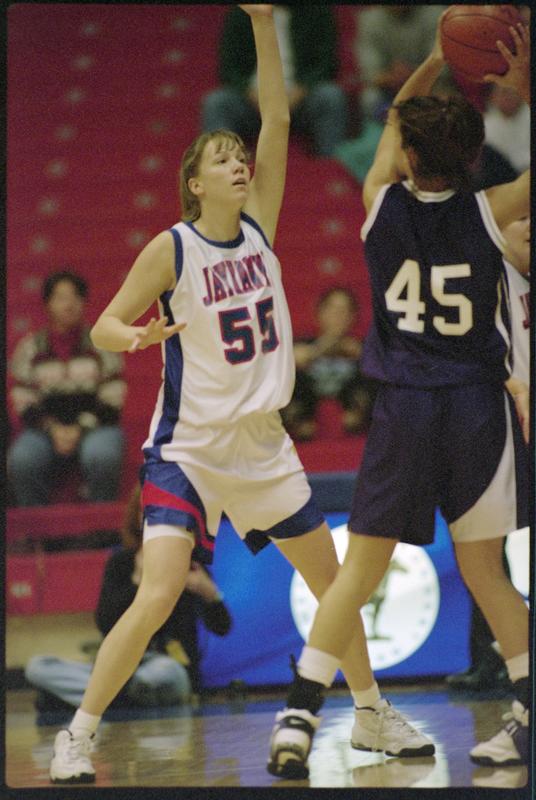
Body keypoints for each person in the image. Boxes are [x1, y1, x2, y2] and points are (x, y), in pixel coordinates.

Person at [48, 6, 431, 785]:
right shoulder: (171, 247)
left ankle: (370, 712)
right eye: (222, 159)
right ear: (196, 183)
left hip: (262, 444)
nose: (238, 165)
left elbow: (278, 118)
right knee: (158, 593)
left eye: (239, 157)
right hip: (188, 448)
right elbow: (102, 326)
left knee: (334, 585)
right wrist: (137, 338)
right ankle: (78, 736)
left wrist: (260, 21)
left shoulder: (259, 227)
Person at [267, 17, 530, 779]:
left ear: (411, 156)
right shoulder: (493, 209)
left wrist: (435, 60)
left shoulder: (381, 201)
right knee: (487, 573)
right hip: (476, 409)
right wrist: (520, 86)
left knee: (357, 573)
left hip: (405, 407)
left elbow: (389, 125)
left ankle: (298, 717)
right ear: (473, 156)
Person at [26, 484, 232, 712]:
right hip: (119, 663)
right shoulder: (121, 562)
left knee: (166, 674)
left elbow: (222, 628)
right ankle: (117, 698)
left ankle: (90, 698)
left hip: (164, 665)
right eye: (148, 511)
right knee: (38, 666)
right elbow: (105, 622)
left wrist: (210, 593)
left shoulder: (189, 563)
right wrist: (140, 581)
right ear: (137, 517)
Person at [446, 214, 530, 694]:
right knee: (485, 553)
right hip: (499, 429)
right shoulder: (488, 274)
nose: (529, 226)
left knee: (486, 557)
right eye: (521, 219)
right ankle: (492, 658)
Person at [7, 270, 126, 506]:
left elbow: (113, 399)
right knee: (21, 459)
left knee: (103, 454)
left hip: (96, 426)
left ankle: (99, 522)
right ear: (47, 304)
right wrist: (53, 429)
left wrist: (79, 428)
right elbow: (22, 399)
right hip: (44, 430)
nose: (69, 304)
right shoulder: (30, 348)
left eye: (75, 297)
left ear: (84, 302)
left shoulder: (102, 344)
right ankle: (37, 525)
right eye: (61, 298)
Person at [201, 5, 347, 157]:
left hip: (300, 101)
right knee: (216, 102)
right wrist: (253, 95)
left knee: (331, 97)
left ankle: (330, 163)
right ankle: (220, 162)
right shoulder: (241, 13)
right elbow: (229, 69)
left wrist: (299, 92)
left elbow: (326, 65)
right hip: (252, 102)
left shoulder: (317, 11)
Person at [280, 287, 376, 440]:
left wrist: (359, 353)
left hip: (352, 400)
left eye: (344, 310)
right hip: (307, 400)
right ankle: (301, 423)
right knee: (289, 376)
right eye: (332, 309)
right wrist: (321, 348)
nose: (338, 315)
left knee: (371, 374)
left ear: (353, 317)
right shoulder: (302, 344)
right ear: (319, 313)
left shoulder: (364, 347)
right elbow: (286, 362)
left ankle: (354, 417)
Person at [354, 5, 444, 124]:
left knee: (444, 95)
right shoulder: (369, 20)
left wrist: (412, 76)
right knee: (370, 98)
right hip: (388, 89)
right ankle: (383, 132)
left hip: (429, 85)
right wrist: (392, 77)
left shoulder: (436, 15)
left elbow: (443, 66)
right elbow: (370, 73)